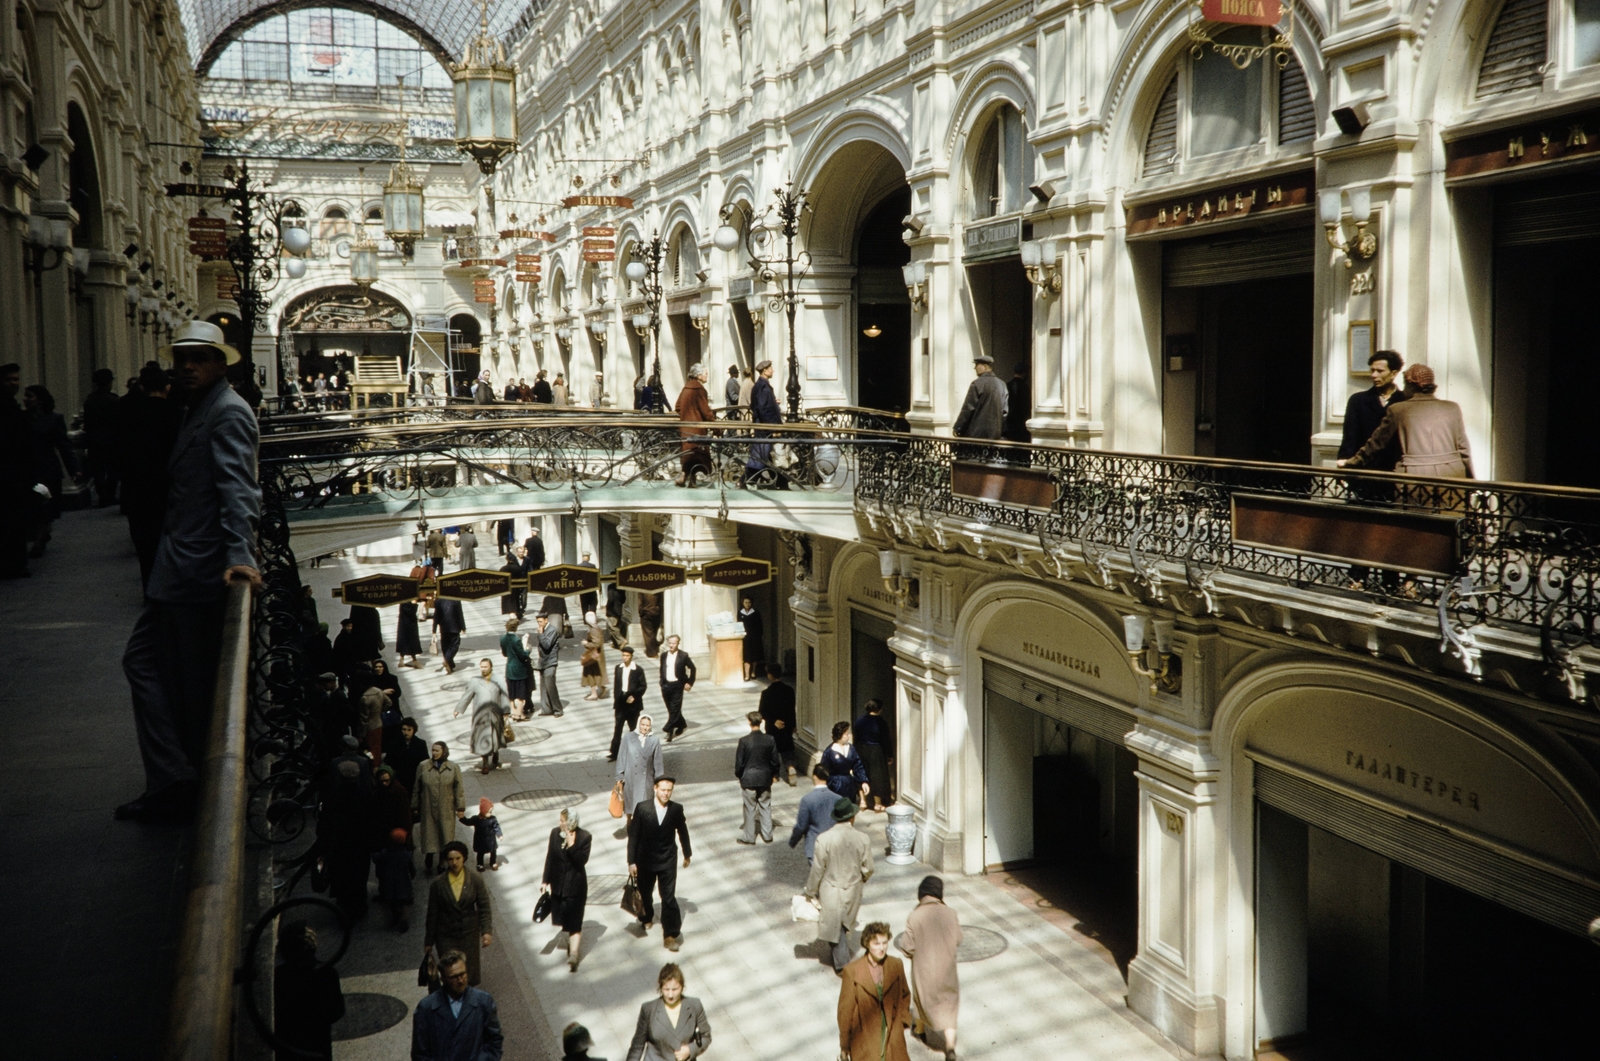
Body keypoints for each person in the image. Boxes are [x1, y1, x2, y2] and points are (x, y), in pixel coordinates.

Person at [118, 321, 261, 823]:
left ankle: (182, 783)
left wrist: (241, 555)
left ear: (221, 364)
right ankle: (177, 776)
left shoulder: (226, 414)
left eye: (199, 358)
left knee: (179, 677)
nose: (187, 367)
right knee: (156, 667)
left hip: (195, 571)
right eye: (182, 359)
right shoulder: (199, 409)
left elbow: (239, 489)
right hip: (179, 566)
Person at [1336, 349, 1409, 588]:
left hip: (1392, 476)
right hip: (1364, 475)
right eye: (1372, 370)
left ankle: (1391, 580)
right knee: (1361, 527)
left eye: (1380, 370)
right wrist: (1345, 465)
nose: (1374, 375)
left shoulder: (1405, 402)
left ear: (1394, 373)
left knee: (1391, 529)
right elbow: (1350, 437)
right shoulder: (1358, 401)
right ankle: (1358, 575)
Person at [1339, 363, 1474, 478]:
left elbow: (1375, 444)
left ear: (1410, 385)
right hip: (1452, 475)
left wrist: (1350, 463)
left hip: (1414, 476)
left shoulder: (1398, 409)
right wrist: (1471, 481)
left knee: (1414, 510)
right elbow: (1464, 449)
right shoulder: (1452, 408)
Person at [116, 364, 183, 589]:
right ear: (167, 387)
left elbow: (119, 450)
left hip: (137, 488)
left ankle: (150, 588)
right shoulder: (177, 415)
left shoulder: (128, 413)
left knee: (145, 544)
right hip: (168, 487)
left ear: (142, 387)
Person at [805, 799, 875, 971]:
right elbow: (869, 867)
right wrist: (861, 879)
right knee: (842, 924)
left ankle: (842, 964)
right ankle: (841, 960)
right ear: (852, 817)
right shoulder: (863, 838)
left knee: (835, 924)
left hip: (831, 888)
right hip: (853, 887)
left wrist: (810, 891)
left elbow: (817, 869)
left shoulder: (824, 839)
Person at [627, 776, 692, 951]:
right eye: (663, 789)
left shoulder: (676, 809)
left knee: (668, 896)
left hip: (667, 859)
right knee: (645, 892)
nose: (666, 793)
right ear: (655, 789)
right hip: (645, 860)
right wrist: (631, 861)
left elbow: (683, 832)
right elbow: (634, 836)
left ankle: (670, 934)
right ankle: (647, 916)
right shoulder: (642, 808)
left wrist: (687, 854)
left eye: (669, 790)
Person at [902, 875, 962, 1060]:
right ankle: (950, 1047)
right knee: (949, 1005)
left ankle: (920, 1030)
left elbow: (907, 947)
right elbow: (959, 939)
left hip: (924, 970)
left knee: (920, 1000)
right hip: (947, 970)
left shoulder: (914, 915)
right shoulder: (951, 913)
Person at [837, 922, 912, 1061]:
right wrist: (844, 1044)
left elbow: (905, 994)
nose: (882, 948)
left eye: (884, 943)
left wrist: (902, 1021)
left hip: (892, 1034)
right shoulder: (852, 971)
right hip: (866, 1035)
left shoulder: (896, 965)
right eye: (876, 944)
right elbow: (845, 1011)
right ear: (867, 944)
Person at [411, 949, 504, 1060]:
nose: (460, 980)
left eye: (462, 974)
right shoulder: (426, 1008)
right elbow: (420, 1054)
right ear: (443, 979)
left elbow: (494, 1042)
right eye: (454, 977)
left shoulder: (483, 1002)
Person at [424, 841, 494, 985]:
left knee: (468, 972)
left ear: (464, 858)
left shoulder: (475, 879)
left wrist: (486, 931)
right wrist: (429, 941)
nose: (454, 862)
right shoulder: (438, 884)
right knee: (450, 973)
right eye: (450, 859)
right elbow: (432, 913)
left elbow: (484, 907)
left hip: (468, 933)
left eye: (458, 858)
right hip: (446, 934)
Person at [274, 921, 345, 1061]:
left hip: (288, 1044)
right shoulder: (327, 973)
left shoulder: (279, 976)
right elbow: (337, 1011)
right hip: (317, 1043)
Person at [22, 384, 79, 555]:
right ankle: (42, 533)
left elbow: (63, 446)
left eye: (29, 396)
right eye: (25, 396)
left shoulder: (53, 419)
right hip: (28, 469)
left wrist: (74, 469)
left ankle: (39, 539)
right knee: (34, 506)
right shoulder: (21, 418)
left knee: (45, 507)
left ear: (39, 399)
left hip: (47, 470)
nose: (25, 399)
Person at [541, 807, 592, 971]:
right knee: (564, 919)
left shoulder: (584, 837)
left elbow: (581, 861)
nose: (560, 823)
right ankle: (572, 944)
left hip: (575, 887)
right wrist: (545, 880)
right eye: (560, 820)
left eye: (563, 821)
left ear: (571, 823)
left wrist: (572, 846)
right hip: (558, 885)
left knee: (575, 922)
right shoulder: (555, 834)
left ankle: (574, 953)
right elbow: (550, 857)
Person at [626, 963, 711, 1061]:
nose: (670, 995)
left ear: (682, 987)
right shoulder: (649, 1009)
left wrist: (690, 1050)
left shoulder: (694, 1006)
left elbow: (706, 1036)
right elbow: (637, 1046)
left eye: (675, 989)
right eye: (666, 989)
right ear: (660, 987)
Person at [413, 742, 466, 873]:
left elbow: (458, 788)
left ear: (444, 751)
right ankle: (429, 855)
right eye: (433, 750)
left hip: (446, 807)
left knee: (445, 836)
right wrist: (414, 805)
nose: (434, 753)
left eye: (437, 750)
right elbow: (416, 788)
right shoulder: (423, 766)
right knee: (429, 834)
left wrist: (460, 807)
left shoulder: (453, 768)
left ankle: (442, 862)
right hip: (428, 806)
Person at [454, 658, 510, 774]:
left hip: (495, 714)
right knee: (482, 739)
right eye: (481, 667)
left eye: (485, 667)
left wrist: (506, 710)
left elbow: (504, 696)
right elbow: (467, 695)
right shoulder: (475, 681)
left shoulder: (498, 680)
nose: (483, 669)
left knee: (495, 737)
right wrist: (458, 709)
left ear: (491, 667)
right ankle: (485, 762)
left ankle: (495, 752)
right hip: (480, 715)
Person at [734, 710, 781, 845]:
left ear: (749, 722)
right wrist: (775, 774)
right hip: (765, 777)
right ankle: (767, 835)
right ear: (761, 722)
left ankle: (749, 837)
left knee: (749, 808)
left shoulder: (744, 741)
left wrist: (740, 775)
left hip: (748, 778)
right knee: (765, 805)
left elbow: (739, 764)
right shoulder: (770, 739)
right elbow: (775, 761)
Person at [82, 367, 121, 506]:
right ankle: (109, 495)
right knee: (113, 470)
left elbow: (87, 422)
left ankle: (102, 495)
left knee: (98, 470)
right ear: (109, 382)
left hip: (95, 440)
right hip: (112, 440)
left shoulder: (90, 401)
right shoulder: (114, 401)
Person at [616, 713, 663, 824]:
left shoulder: (655, 740)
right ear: (638, 724)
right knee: (630, 806)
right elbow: (621, 757)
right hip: (630, 779)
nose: (645, 728)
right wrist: (619, 776)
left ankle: (642, 828)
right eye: (643, 724)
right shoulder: (628, 737)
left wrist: (660, 781)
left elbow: (658, 762)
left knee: (644, 808)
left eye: (647, 725)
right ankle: (629, 824)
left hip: (646, 780)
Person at [743, 360, 783, 488]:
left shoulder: (760, 385)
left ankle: (780, 481)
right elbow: (763, 408)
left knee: (764, 455)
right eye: (770, 368)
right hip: (765, 428)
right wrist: (773, 427)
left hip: (763, 426)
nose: (772, 370)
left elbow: (758, 405)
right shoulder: (763, 386)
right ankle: (746, 480)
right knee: (760, 455)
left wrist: (774, 402)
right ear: (764, 371)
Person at [674, 362, 715, 486]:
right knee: (698, 454)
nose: (707, 376)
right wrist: (716, 425)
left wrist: (687, 416)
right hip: (697, 429)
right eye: (706, 374)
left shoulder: (686, 388)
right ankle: (690, 479)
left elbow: (678, 406)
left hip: (686, 428)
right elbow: (706, 412)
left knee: (689, 454)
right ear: (699, 375)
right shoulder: (700, 390)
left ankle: (687, 478)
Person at [952, 353, 1007, 440]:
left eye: (977, 365)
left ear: (984, 366)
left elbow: (968, 408)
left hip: (976, 434)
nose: (975, 368)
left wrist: (958, 427)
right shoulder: (1002, 384)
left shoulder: (977, 384)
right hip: (995, 435)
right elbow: (1004, 411)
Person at [790, 764, 838, 862]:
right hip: (834, 846)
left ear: (814, 776)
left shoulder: (807, 800)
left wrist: (793, 841)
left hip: (814, 846)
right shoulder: (838, 798)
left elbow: (801, 826)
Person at [758, 663, 797, 783]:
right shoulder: (789, 690)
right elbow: (792, 710)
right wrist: (793, 725)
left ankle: (775, 775)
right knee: (787, 750)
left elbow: (762, 712)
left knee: (773, 751)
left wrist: (774, 721)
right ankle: (790, 767)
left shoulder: (766, 693)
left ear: (770, 675)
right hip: (786, 725)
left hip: (772, 726)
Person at [853, 699, 894, 812]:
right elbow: (885, 740)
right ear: (879, 709)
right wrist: (889, 754)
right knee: (878, 776)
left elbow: (856, 736)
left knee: (862, 773)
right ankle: (877, 803)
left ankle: (862, 801)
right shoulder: (881, 722)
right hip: (876, 750)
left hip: (861, 748)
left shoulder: (860, 720)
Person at [375, 826, 417, 932]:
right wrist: (412, 874)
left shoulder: (386, 853)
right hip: (403, 881)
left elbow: (378, 860)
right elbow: (411, 867)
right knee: (404, 902)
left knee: (392, 901)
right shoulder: (406, 854)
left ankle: (395, 917)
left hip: (389, 881)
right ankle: (404, 920)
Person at [610, 646, 648, 760]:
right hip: (621, 702)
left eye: (627, 656)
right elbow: (617, 685)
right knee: (618, 728)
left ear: (631, 657)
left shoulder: (638, 670)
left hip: (633, 703)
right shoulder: (618, 668)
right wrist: (617, 699)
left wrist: (634, 696)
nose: (624, 658)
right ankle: (615, 752)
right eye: (623, 655)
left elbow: (643, 686)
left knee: (634, 729)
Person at [821, 721, 870, 806]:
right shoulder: (829, 752)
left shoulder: (851, 749)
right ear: (839, 735)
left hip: (849, 785)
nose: (849, 736)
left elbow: (858, 766)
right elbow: (823, 771)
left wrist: (863, 781)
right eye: (846, 734)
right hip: (835, 786)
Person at [658, 634, 696, 741]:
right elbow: (662, 669)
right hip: (666, 685)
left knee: (674, 709)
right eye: (669, 643)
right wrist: (661, 681)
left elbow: (693, 668)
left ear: (678, 643)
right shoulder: (664, 655)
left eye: (673, 643)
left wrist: (689, 682)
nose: (671, 645)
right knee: (671, 709)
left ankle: (669, 729)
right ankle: (682, 724)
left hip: (677, 685)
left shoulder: (683, 655)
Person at [501, 618, 533, 720]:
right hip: (519, 668)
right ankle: (519, 713)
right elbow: (523, 655)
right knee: (521, 691)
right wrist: (528, 650)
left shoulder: (503, 638)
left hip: (509, 667)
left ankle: (513, 711)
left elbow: (505, 653)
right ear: (516, 627)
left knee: (511, 690)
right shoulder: (516, 640)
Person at [387, 718, 430, 794]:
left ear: (414, 730)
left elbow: (425, 762)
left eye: (409, 730)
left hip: (415, 778)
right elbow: (389, 761)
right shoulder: (394, 744)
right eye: (404, 729)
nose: (406, 732)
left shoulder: (420, 744)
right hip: (400, 779)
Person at [459, 797, 502, 871]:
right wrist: (462, 818)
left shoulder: (493, 819)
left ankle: (493, 862)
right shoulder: (476, 819)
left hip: (491, 840)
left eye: (491, 812)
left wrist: (499, 834)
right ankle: (480, 864)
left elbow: (496, 827)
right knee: (480, 853)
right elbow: (468, 822)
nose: (491, 813)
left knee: (493, 851)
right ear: (483, 811)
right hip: (480, 840)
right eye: (489, 812)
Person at [535, 613, 566, 717]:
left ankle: (558, 709)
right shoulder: (544, 630)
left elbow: (547, 645)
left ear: (546, 620)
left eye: (540, 621)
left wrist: (540, 634)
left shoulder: (552, 630)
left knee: (550, 686)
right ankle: (546, 709)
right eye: (538, 622)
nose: (539, 624)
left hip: (550, 662)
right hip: (543, 662)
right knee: (543, 687)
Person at [433, 597, 466, 674]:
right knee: (455, 644)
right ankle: (447, 660)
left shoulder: (438, 601)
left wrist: (434, 629)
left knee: (445, 646)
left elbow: (436, 616)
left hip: (443, 627)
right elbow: (460, 614)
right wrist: (463, 627)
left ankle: (450, 665)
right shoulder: (456, 600)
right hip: (454, 627)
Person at [581, 617, 608, 700]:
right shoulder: (597, 628)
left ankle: (594, 693)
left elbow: (596, 643)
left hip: (593, 655)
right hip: (597, 655)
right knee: (596, 673)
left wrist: (586, 643)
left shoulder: (593, 630)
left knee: (590, 674)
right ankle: (602, 688)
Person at [1002, 365, 1031, 445]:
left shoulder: (1007, 385)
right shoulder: (1025, 388)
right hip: (1021, 426)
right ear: (1024, 374)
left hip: (1008, 424)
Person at [737, 597, 764, 681]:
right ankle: (747, 674)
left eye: (749, 602)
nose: (747, 604)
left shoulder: (755, 613)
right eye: (746, 602)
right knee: (746, 656)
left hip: (755, 637)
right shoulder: (740, 613)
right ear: (743, 603)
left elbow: (760, 625)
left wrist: (758, 635)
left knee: (754, 656)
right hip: (745, 638)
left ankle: (753, 672)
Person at [500, 548, 527, 622]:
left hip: (506, 589)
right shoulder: (517, 569)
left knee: (508, 603)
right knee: (515, 602)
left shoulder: (503, 569)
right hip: (515, 589)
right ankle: (515, 614)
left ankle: (512, 616)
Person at [396, 598, 424, 667]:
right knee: (412, 641)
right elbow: (411, 611)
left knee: (405, 641)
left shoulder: (403, 600)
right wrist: (414, 604)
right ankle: (414, 661)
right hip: (409, 624)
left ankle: (402, 660)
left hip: (404, 624)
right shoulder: (406, 602)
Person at [638, 592, 664, 657]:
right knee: (653, 632)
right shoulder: (658, 590)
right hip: (656, 613)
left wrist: (641, 613)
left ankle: (652, 653)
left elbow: (640, 604)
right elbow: (661, 602)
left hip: (646, 613)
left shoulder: (642, 590)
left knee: (648, 634)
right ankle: (654, 649)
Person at [605, 580, 629, 647]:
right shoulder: (621, 587)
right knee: (617, 626)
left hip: (612, 610)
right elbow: (623, 599)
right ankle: (616, 644)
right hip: (619, 609)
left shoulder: (610, 587)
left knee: (612, 627)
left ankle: (621, 640)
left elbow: (610, 599)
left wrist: (608, 607)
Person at [578, 552, 600, 616]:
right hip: (591, 588)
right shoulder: (592, 566)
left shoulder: (578, 566)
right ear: (588, 557)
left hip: (582, 589)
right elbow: (597, 577)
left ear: (583, 557)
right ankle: (592, 616)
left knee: (584, 604)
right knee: (593, 603)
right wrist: (599, 588)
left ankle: (585, 618)